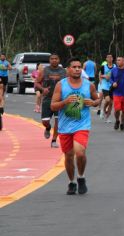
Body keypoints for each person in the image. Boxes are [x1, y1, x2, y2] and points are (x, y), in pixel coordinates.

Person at [51, 57, 100, 194]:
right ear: (68, 69)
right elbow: (53, 106)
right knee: (68, 156)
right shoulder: (61, 85)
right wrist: (65, 102)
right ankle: (71, 182)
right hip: (65, 126)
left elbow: (97, 99)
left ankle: (81, 177)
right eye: (74, 67)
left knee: (79, 153)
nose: (77, 69)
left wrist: (93, 103)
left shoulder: (88, 85)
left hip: (82, 125)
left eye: (79, 67)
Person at [34, 53, 67, 148]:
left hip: (59, 100)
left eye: (56, 58)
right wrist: (43, 89)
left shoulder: (63, 71)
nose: (54, 60)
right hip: (47, 99)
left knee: (58, 121)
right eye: (52, 59)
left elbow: (69, 83)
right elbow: (36, 82)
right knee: (45, 121)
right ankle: (48, 128)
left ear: (59, 60)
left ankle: (53, 140)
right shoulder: (45, 71)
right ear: (49, 60)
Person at [98, 54, 115, 123]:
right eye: (108, 57)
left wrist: (111, 77)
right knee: (107, 100)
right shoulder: (103, 67)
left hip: (112, 85)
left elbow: (116, 75)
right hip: (105, 85)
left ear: (112, 58)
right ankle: (103, 109)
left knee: (111, 103)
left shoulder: (115, 67)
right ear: (106, 59)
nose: (109, 58)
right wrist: (105, 76)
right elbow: (100, 75)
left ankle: (107, 118)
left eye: (111, 57)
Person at [0, 53, 11, 118]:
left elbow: (10, 68)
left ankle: (2, 97)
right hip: (0, 76)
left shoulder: (7, 62)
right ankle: (1, 104)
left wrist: (6, 68)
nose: (2, 57)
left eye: (3, 56)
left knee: (3, 88)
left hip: (5, 76)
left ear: (5, 57)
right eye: (1, 56)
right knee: (1, 88)